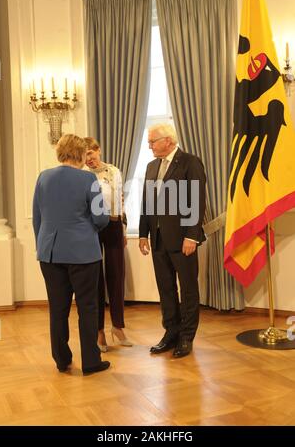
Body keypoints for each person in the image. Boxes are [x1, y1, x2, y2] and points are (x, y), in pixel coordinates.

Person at [32, 134, 110, 375]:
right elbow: (101, 219)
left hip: (50, 253)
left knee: (57, 308)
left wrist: (44, 245)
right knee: (87, 307)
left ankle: (62, 359)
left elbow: (37, 218)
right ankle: (90, 362)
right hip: (83, 253)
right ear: (81, 154)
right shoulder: (89, 179)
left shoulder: (43, 177)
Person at [139, 124, 206, 358]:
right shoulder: (150, 166)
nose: (149, 146)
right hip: (157, 240)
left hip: (182, 240)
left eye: (152, 142)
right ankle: (171, 333)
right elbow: (146, 201)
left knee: (188, 289)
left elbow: (197, 202)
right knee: (165, 289)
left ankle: (186, 337)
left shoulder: (190, 162)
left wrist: (191, 236)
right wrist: (142, 233)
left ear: (167, 141)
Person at [84, 137, 132, 351]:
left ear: (98, 150)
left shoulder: (114, 171)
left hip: (113, 226)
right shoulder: (82, 175)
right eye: (84, 155)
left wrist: (122, 229)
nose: (89, 159)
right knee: (95, 280)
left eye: (91, 154)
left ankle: (118, 326)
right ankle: (99, 331)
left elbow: (120, 200)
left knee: (117, 276)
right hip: (91, 228)